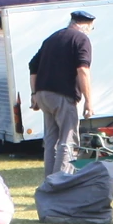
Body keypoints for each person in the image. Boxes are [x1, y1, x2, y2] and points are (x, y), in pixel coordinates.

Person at [29, 10, 97, 177]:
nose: (90, 31)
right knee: (68, 140)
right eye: (91, 28)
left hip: (43, 95)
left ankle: (49, 182)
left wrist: (34, 94)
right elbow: (83, 70)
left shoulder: (52, 38)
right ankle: (61, 183)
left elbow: (33, 66)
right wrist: (88, 101)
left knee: (51, 140)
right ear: (86, 25)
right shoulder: (81, 39)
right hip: (62, 95)